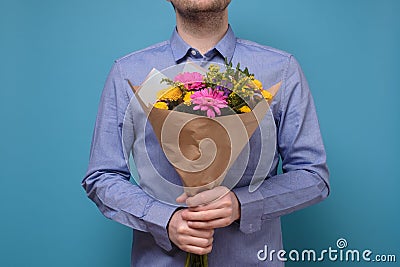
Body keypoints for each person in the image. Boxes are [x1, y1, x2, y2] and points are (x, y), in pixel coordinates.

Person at [82, 0, 330, 266]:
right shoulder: (127, 73)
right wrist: (164, 219)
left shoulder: (281, 69)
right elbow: (102, 176)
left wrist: (241, 205)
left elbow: (313, 176)